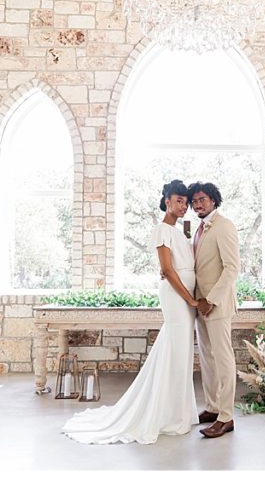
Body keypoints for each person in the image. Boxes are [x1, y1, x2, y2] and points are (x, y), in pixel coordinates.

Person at [62, 179, 198, 444]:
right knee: (176, 349)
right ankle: (165, 414)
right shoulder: (162, 230)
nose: (183, 206)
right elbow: (168, 271)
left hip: (187, 295)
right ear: (166, 200)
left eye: (186, 201)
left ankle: (177, 411)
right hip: (177, 296)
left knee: (180, 352)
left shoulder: (181, 231)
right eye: (177, 200)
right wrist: (190, 300)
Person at [188, 181, 240, 438]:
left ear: (213, 200)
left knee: (223, 358)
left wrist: (212, 299)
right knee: (207, 359)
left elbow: (232, 268)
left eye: (202, 200)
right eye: (194, 201)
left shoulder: (224, 226)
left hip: (216, 304)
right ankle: (212, 407)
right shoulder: (197, 229)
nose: (197, 204)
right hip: (199, 303)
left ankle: (226, 416)